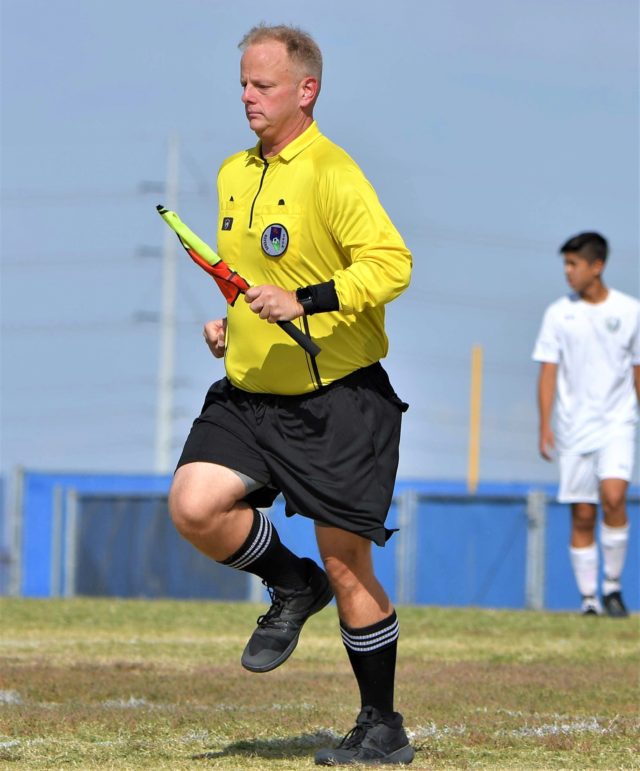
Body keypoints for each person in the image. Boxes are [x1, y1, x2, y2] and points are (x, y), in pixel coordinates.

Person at [168, 24, 415, 766]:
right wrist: (229, 321)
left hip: (338, 399)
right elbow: (249, 283)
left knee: (349, 564)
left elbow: (392, 264)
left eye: (263, 85)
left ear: (306, 90)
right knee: (194, 504)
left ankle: (381, 725)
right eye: (243, 83)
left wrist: (306, 299)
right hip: (249, 395)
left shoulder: (332, 172)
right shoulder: (231, 174)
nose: (248, 96)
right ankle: (289, 582)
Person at [533, 232, 640, 617]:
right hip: (574, 427)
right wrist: (545, 425)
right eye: (566, 263)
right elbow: (548, 373)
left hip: (618, 423)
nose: (568, 271)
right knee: (582, 512)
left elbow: (637, 370)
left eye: (574, 264)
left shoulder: (630, 311)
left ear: (597, 266)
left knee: (613, 497)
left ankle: (612, 587)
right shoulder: (558, 313)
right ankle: (589, 600)